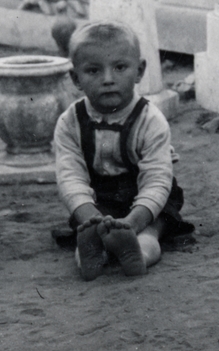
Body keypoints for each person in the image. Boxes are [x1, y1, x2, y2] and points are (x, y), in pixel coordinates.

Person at [53, 21, 190, 280]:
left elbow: (157, 180)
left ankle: (138, 251)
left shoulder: (150, 120)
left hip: (145, 200)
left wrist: (133, 222)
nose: (107, 80)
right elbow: (70, 178)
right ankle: (92, 255)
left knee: (148, 234)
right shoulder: (70, 122)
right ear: (75, 78)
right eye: (93, 70)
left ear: (139, 71)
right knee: (88, 236)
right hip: (97, 200)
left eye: (120, 67)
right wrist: (92, 218)